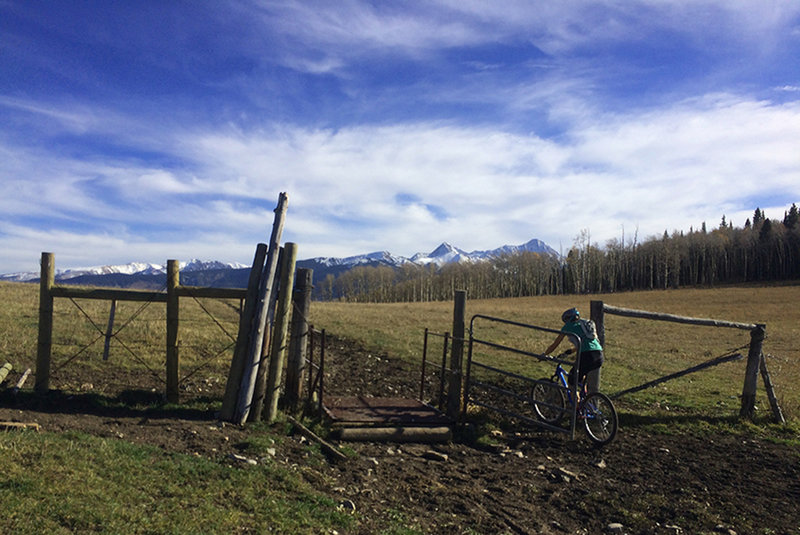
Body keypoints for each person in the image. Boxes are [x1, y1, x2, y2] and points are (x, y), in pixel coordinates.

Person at [543, 307, 604, 390]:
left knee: (571, 381)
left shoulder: (568, 326)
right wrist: (570, 351)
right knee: (580, 376)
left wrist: (545, 354)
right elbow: (586, 342)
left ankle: (576, 402)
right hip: (599, 354)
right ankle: (586, 398)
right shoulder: (585, 324)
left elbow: (555, 344)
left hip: (587, 355)